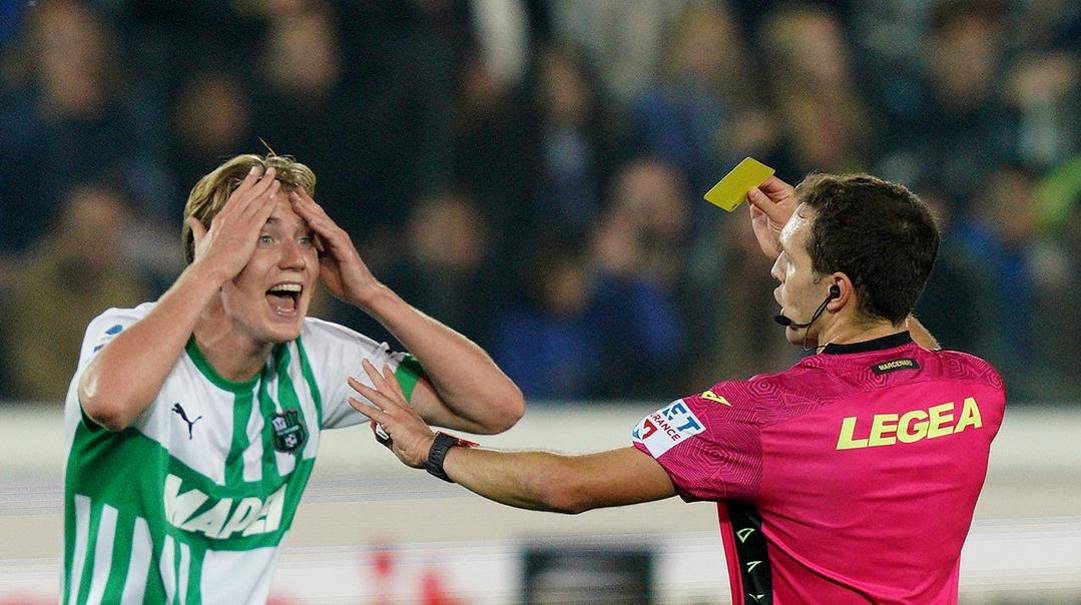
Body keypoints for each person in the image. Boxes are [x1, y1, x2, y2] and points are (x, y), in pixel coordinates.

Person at [355, 173, 1007, 604]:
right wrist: (819, 253)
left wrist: (434, 449)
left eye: (792, 261)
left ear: (836, 290)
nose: (776, 271)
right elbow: (899, 336)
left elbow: (566, 485)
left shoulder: (760, 418)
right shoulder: (974, 393)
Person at [61, 153, 524, 604]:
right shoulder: (125, 333)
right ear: (210, 247)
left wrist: (372, 294)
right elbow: (109, 401)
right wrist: (208, 270)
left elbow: (495, 408)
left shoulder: (315, 360)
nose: (296, 260)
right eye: (265, 238)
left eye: (305, 240)